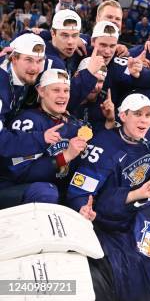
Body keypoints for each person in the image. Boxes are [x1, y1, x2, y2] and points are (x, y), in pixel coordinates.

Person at [66, 93, 150, 224]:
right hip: (103, 216)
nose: (144, 120)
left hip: (133, 211)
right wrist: (82, 208)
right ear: (123, 116)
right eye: (137, 114)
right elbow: (79, 192)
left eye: (148, 115)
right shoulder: (102, 145)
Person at [0, 69, 88, 209]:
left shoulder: (73, 124)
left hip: (51, 192)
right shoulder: (28, 121)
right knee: (46, 192)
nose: (62, 96)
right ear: (41, 91)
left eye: (66, 91)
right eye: (56, 90)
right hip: (14, 190)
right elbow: (19, 174)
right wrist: (65, 156)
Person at [0, 34, 68, 157]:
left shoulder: (20, 73)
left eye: (39, 61)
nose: (35, 68)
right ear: (14, 58)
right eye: (28, 60)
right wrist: (41, 138)